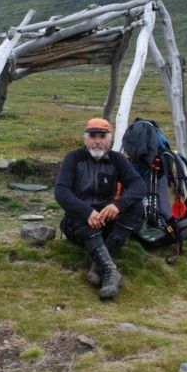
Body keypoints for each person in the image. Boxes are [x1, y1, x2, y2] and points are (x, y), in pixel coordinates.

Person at [55, 117, 147, 299]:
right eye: (93, 136)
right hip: (79, 225)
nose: (97, 141)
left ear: (109, 140)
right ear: (85, 139)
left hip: (107, 223)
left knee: (136, 206)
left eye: (102, 136)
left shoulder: (117, 160)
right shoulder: (73, 158)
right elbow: (61, 192)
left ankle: (100, 263)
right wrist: (87, 211)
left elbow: (139, 185)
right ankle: (110, 271)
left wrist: (117, 206)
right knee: (76, 213)